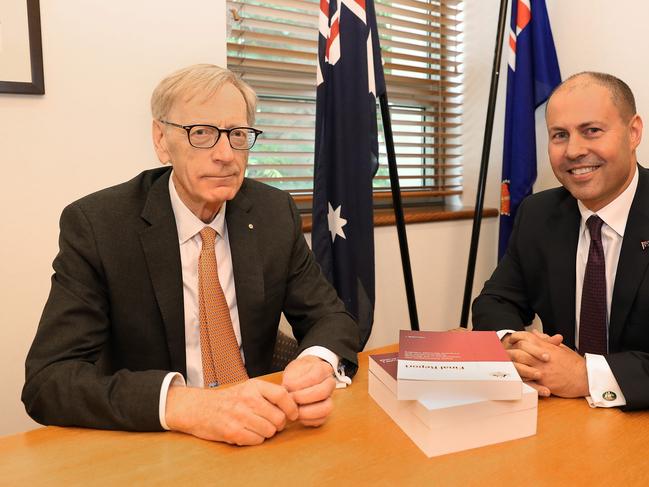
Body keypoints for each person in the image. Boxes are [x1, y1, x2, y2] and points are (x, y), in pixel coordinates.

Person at [22, 64, 360, 445]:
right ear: (161, 139)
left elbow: (331, 316)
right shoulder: (99, 226)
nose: (225, 155)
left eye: (237, 134)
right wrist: (186, 405)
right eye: (201, 133)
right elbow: (48, 380)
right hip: (160, 444)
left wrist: (317, 362)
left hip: (264, 429)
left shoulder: (271, 212)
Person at [472, 71, 649, 411]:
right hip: (560, 418)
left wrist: (586, 375)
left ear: (633, 132)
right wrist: (512, 344)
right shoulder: (539, 214)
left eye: (592, 131)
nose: (573, 151)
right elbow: (495, 301)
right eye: (559, 135)